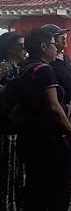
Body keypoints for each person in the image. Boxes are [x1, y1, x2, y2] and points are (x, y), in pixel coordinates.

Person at [18, 28, 71, 210]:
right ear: (43, 46)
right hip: (49, 138)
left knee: (35, 183)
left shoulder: (25, 67)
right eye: (53, 44)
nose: (57, 48)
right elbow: (54, 106)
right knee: (59, 186)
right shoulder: (45, 70)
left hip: (29, 135)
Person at [41, 24, 71, 192]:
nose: (64, 39)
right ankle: (59, 179)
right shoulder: (49, 63)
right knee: (63, 141)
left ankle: (69, 177)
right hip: (58, 107)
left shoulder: (65, 58)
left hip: (70, 105)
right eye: (60, 36)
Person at [0, 31, 27, 211]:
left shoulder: (17, 68)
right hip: (6, 126)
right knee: (8, 171)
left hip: (16, 125)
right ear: (10, 49)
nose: (25, 50)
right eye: (21, 46)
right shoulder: (4, 67)